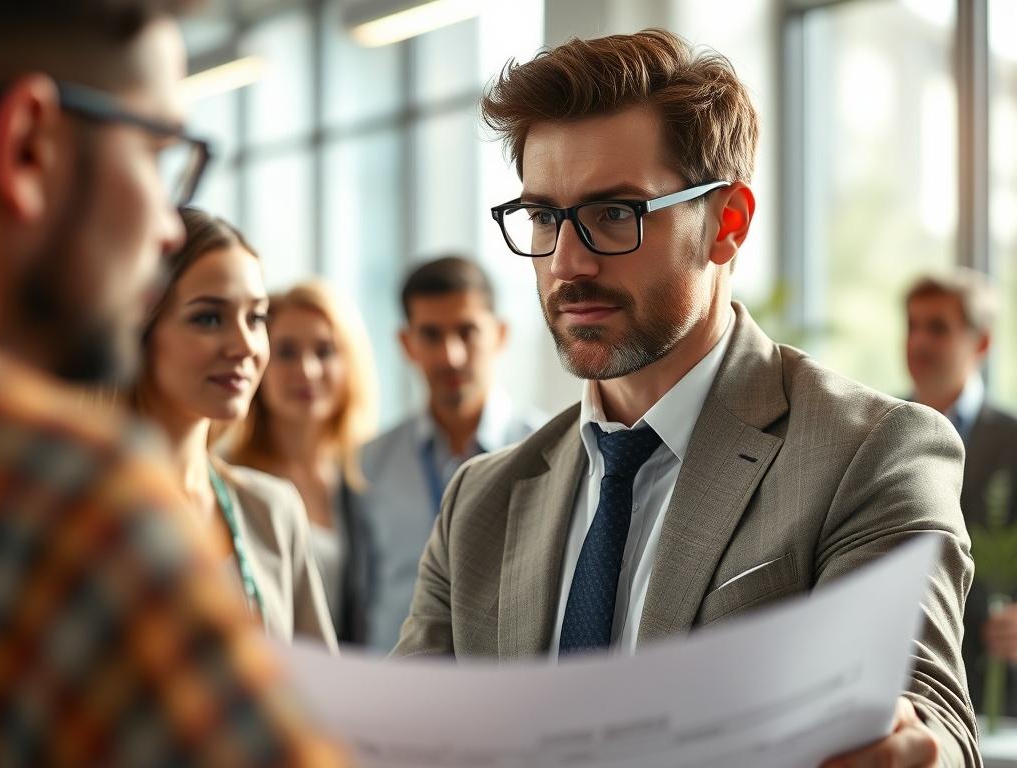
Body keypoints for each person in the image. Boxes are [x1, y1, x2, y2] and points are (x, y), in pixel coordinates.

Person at [394, 29, 978, 767]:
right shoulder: (481, 501)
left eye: (615, 214)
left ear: (726, 224)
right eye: (543, 216)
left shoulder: (870, 453)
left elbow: (931, 712)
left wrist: (905, 745)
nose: (567, 264)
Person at [0, 1, 342, 764]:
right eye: (157, 155)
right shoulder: (63, 493)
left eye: (256, 317)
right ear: (26, 146)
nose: (165, 227)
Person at [136, 206, 337, 650]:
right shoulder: (80, 511)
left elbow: (324, 704)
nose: (246, 345)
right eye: (209, 318)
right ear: (138, 329)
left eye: (257, 317)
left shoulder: (272, 510)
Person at [350, 255, 540, 652]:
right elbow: (360, 598)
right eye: (431, 335)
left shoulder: (552, 450)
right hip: (398, 694)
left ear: (500, 334)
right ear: (407, 343)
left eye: (467, 332)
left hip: (512, 690)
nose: (450, 355)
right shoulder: (369, 464)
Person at [229, 280, 378, 643]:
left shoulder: (371, 475)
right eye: (286, 352)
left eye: (325, 351)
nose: (307, 370)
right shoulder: (229, 480)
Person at [906, 270, 1017, 715]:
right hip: (902, 690)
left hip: (997, 695)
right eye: (912, 326)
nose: (919, 342)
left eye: (938, 327)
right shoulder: (872, 431)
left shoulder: (1013, 440)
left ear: (982, 343)